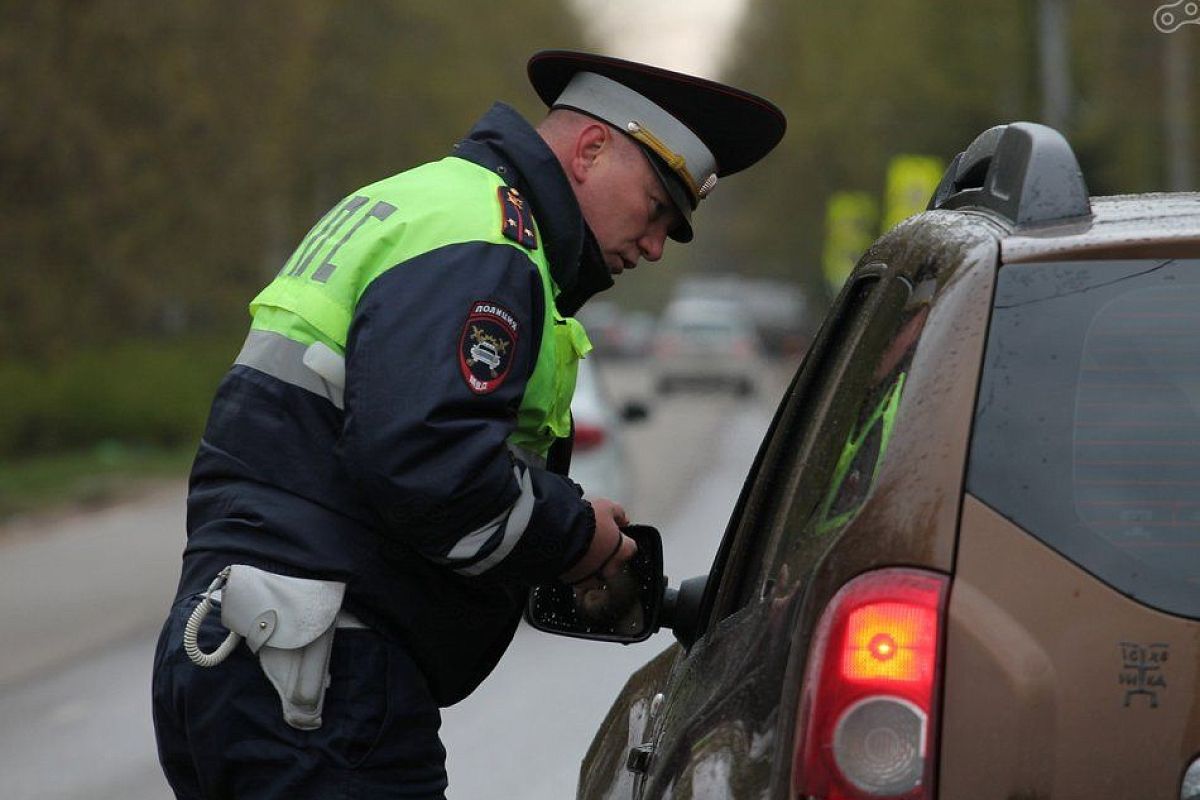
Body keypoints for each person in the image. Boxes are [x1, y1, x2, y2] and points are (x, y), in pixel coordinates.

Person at [151, 49, 786, 798]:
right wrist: (581, 539)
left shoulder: (417, 201)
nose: (652, 246)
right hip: (320, 684)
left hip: (240, 652)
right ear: (590, 150)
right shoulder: (487, 241)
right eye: (656, 211)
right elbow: (427, 462)